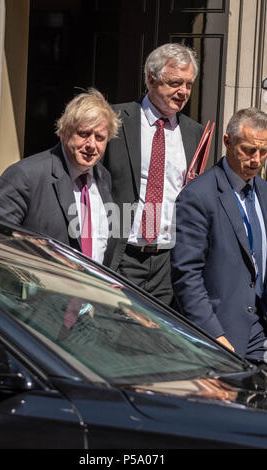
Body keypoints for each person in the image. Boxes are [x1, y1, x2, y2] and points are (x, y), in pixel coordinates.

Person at [103, 43, 205, 305]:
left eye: (189, 84)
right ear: (151, 79)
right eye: (175, 83)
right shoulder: (115, 119)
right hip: (121, 255)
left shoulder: (195, 133)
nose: (183, 92)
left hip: (168, 262)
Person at [171, 108, 267, 364]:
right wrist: (213, 335)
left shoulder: (265, 191)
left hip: (262, 332)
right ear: (227, 142)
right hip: (220, 335)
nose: (256, 160)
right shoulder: (198, 195)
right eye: (249, 150)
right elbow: (186, 274)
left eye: (264, 151)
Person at [0, 88, 121, 267]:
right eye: (84, 134)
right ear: (65, 133)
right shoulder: (25, 175)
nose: (91, 145)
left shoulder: (103, 177)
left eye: (100, 137)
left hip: (92, 291)